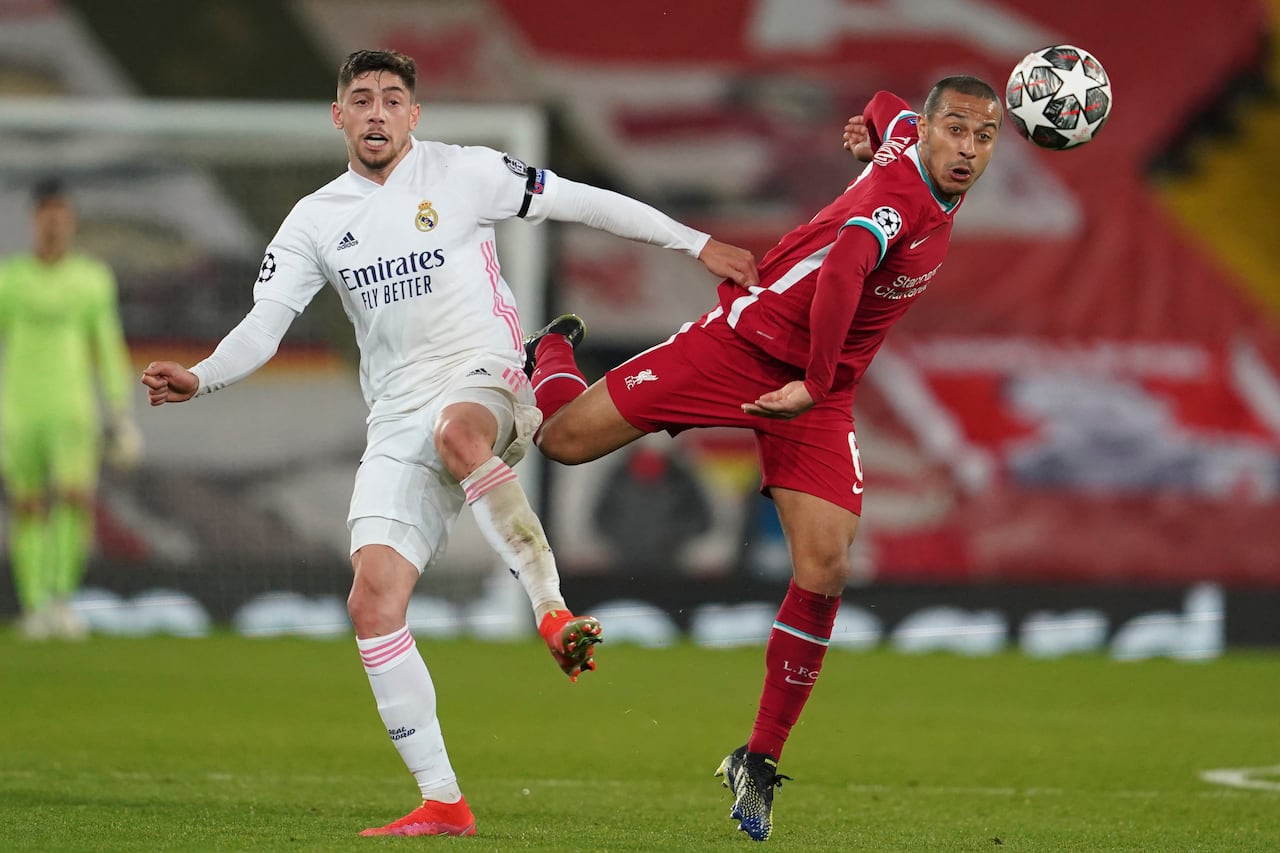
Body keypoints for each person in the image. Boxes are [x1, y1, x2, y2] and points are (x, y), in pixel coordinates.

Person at [139, 49, 756, 838]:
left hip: (488, 378)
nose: (375, 113)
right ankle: (443, 801)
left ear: (413, 116)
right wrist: (202, 376)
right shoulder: (315, 220)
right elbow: (265, 325)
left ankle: (550, 609)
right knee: (372, 600)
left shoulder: (466, 172)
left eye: (392, 99)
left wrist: (694, 242)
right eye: (360, 99)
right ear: (338, 115)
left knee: (458, 430)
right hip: (396, 415)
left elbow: (581, 201)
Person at [525, 76, 1003, 842]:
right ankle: (548, 349)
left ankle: (758, 758)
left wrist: (867, 126)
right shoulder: (902, 204)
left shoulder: (908, 132)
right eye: (956, 132)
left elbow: (884, 103)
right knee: (562, 441)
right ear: (934, 128)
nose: (966, 149)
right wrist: (813, 380)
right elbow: (846, 268)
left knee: (825, 566)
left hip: (821, 388)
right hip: (744, 344)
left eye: (983, 139)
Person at [0, 178, 141, 640]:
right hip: (19, 412)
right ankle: (35, 604)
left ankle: (60, 599)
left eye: (61, 212)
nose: (54, 221)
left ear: (71, 219)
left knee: (75, 502)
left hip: (73, 410)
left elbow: (107, 345)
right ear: (34, 219)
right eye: (46, 212)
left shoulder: (91, 280)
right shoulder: (10, 280)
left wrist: (119, 412)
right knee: (28, 507)